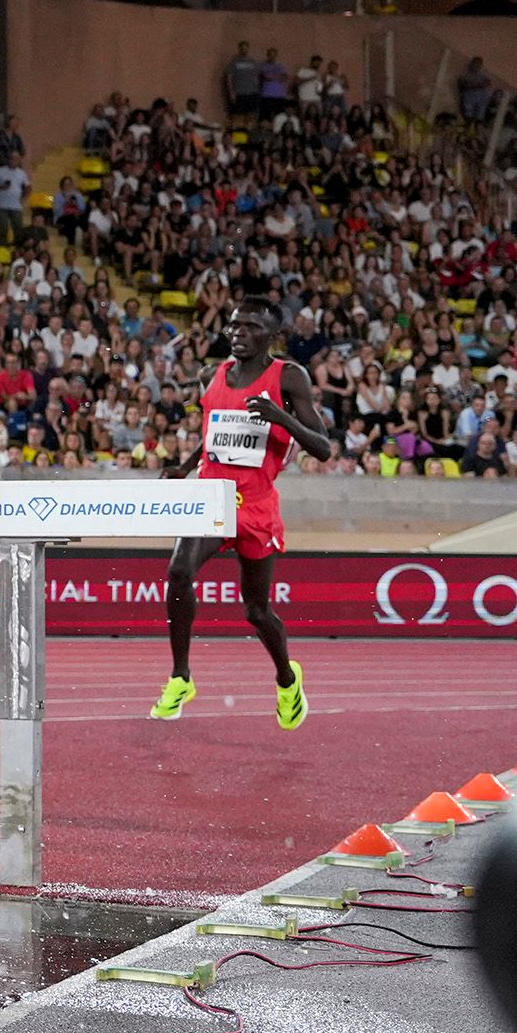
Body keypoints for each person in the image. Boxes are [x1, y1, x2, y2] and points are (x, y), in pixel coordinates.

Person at [151, 300, 334, 728]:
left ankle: (287, 679)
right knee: (179, 571)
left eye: (250, 327)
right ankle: (181, 676)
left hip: (256, 505)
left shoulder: (288, 377)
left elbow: (323, 448)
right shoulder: (208, 376)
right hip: (212, 496)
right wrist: (185, 465)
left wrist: (280, 417)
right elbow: (218, 430)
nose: (237, 333)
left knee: (255, 610)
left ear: (271, 335)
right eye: (234, 325)